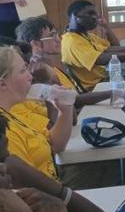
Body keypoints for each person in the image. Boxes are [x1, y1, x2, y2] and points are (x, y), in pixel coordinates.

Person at [0, 47, 73, 180]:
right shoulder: (4, 129)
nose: (30, 76)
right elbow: (26, 185)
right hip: (48, 196)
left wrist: (65, 111)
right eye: (22, 71)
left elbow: (55, 145)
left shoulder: (14, 111)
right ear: (3, 84)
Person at [15, 18, 111, 108]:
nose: (58, 39)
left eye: (56, 34)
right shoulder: (37, 73)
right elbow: (72, 102)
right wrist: (111, 93)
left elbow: (74, 97)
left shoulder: (51, 67)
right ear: (36, 44)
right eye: (52, 36)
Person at [60, 0, 125, 91]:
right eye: (90, 14)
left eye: (96, 14)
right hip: (95, 87)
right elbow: (100, 59)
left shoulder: (85, 36)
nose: (95, 17)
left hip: (106, 78)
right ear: (75, 17)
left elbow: (111, 48)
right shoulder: (73, 42)